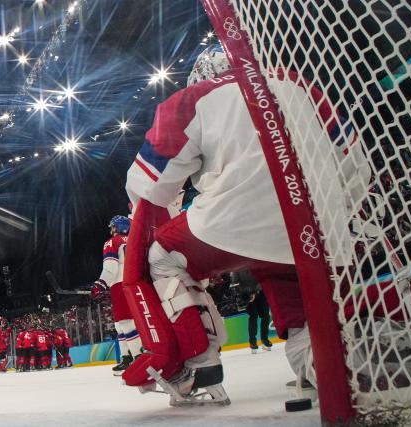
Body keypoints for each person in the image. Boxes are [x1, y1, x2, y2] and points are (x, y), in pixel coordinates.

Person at [121, 44, 369, 406]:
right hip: (318, 219)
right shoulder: (299, 84)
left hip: (232, 222)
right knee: (292, 282)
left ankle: (198, 363)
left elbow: (147, 187)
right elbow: (355, 166)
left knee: (162, 256)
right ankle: (324, 366)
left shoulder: (194, 98)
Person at [90, 215, 142, 375]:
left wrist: (101, 283)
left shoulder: (112, 242)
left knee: (126, 323)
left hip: (121, 285)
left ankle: (139, 359)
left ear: (118, 227)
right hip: (136, 283)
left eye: (113, 226)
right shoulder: (137, 240)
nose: (111, 230)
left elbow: (111, 268)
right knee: (121, 324)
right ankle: (126, 358)